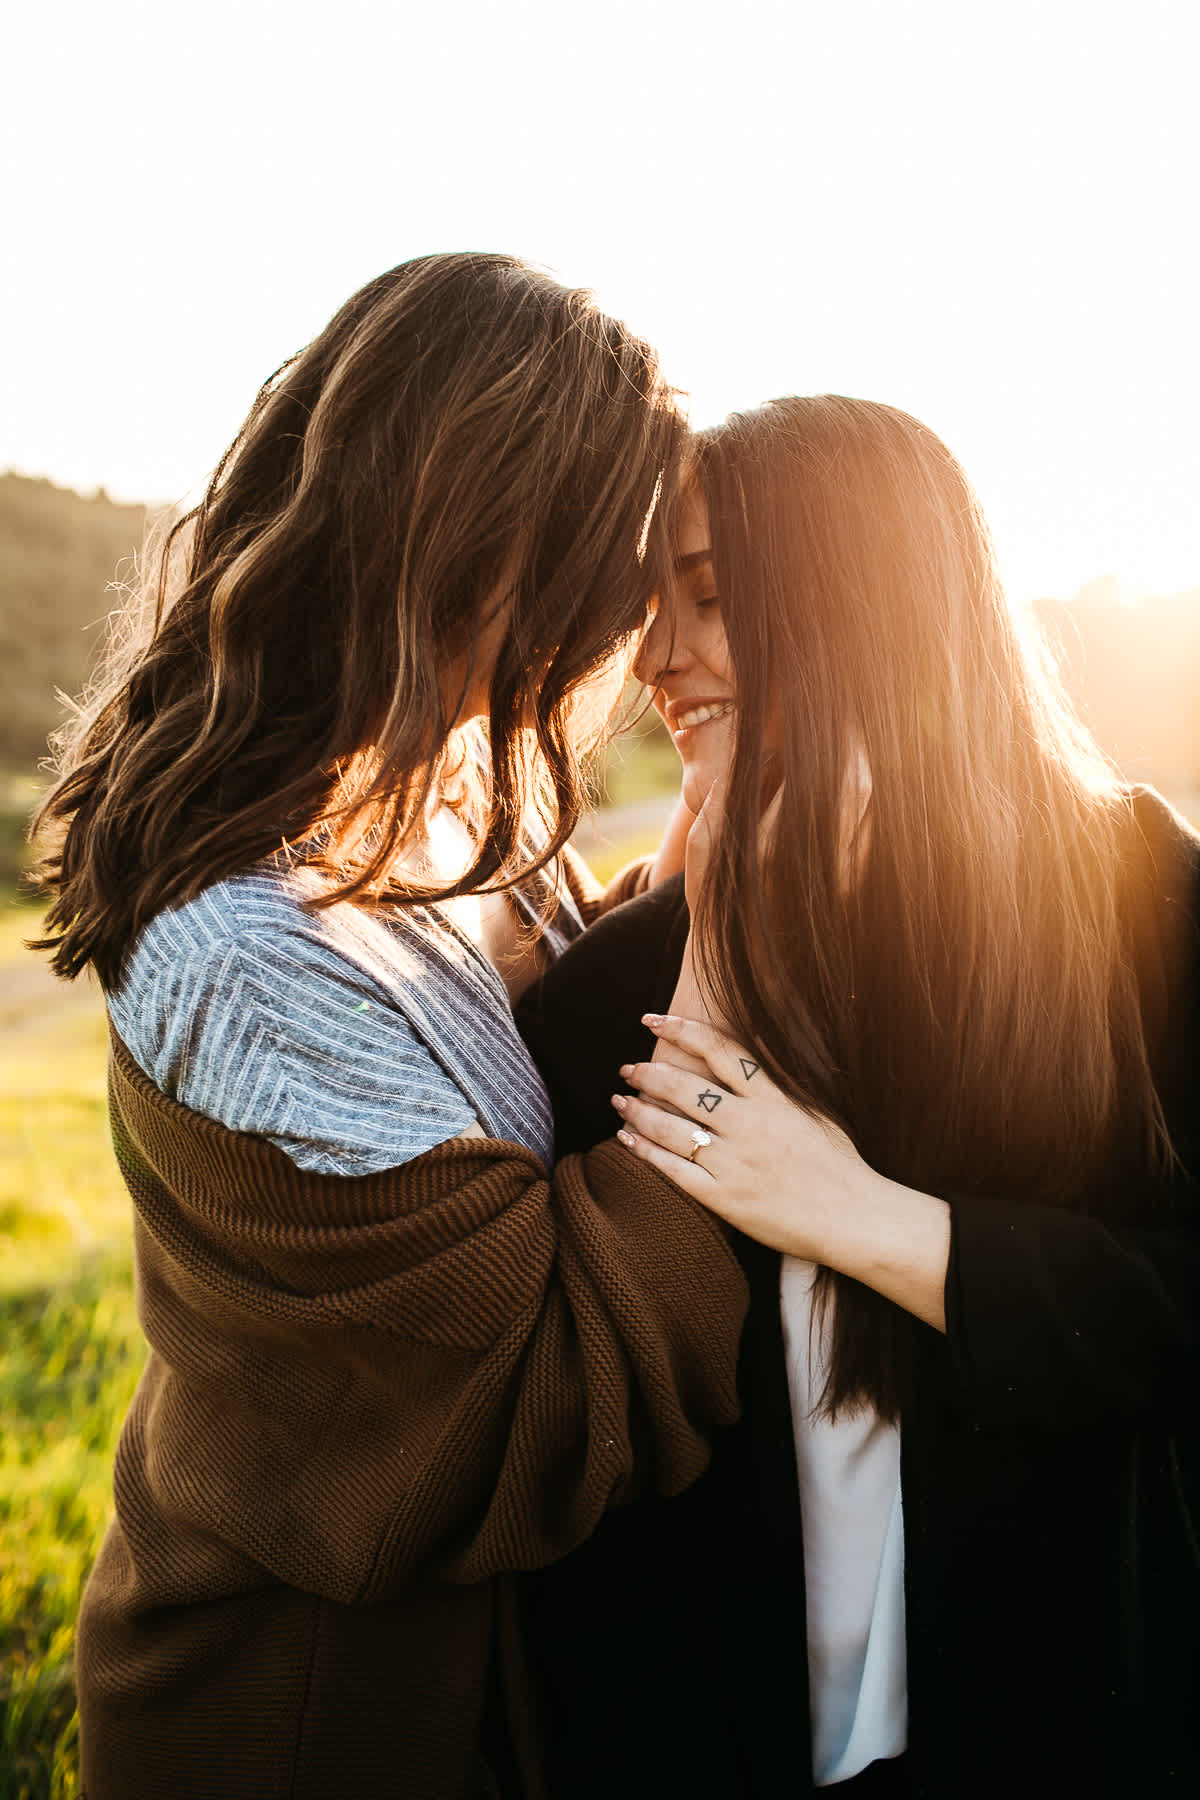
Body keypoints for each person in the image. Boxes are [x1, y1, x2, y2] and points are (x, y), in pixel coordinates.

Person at [31, 252, 752, 1800]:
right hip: (314, 1712)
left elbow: (528, 1033)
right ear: (480, 535)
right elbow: (541, 1389)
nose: (627, 626)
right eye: (608, 568)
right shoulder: (249, 948)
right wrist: (733, 962)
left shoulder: (439, 796)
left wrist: (684, 876)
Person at [514, 395, 1199, 1799]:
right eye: (653, 606)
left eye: (709, 601)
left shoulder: (1144, 899)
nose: (657, 657)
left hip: (1078, 1721)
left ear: (863, 610)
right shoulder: (612, 996)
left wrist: (880, 1225)